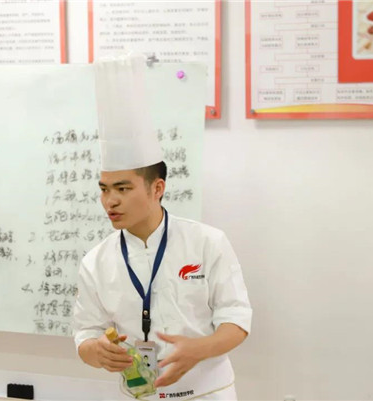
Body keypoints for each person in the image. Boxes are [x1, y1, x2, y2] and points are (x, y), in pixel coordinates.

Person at [73, 55, 252, 400]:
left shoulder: (207, 242)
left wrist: (200, 348)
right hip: (137, 393)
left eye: (122, 189)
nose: (110, 201)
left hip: (207, 393)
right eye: (104, 189)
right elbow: (85, 333)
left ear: (157, 188)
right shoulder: (96, 261)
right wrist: (95, 351)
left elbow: (237, 317)